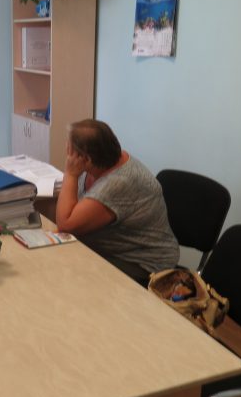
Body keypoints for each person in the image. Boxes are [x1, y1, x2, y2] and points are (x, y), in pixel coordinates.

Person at [56, 119, 179, 286]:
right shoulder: (102, 161)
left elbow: (66, 224)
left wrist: (70, 174)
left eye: (69, 147)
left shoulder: (119, 183)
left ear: (86, 159)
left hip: (140, 263)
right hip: (109, 250)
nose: (66, 149)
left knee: (70, 277)